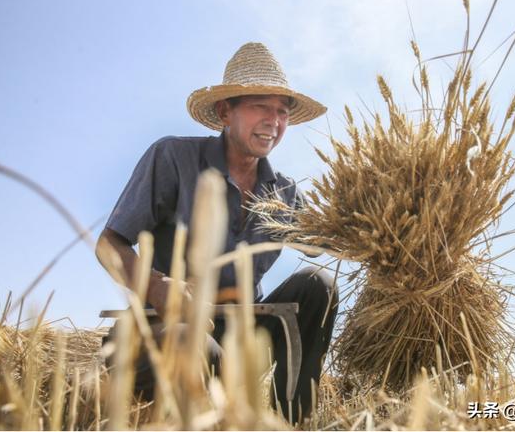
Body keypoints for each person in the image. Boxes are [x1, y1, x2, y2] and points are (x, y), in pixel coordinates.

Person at [96, 42, 338, 423]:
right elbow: (109, 244)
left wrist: (376, 226)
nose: (274, 121)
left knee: (318, 284)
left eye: (282, 111)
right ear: (226, 111)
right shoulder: (173, 158)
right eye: (261, 106)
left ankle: (289, 420)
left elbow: (321, 245)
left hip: (242, 341)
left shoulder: (286, 193)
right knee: (185, 344)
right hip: (167, 331)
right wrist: (158, 287)